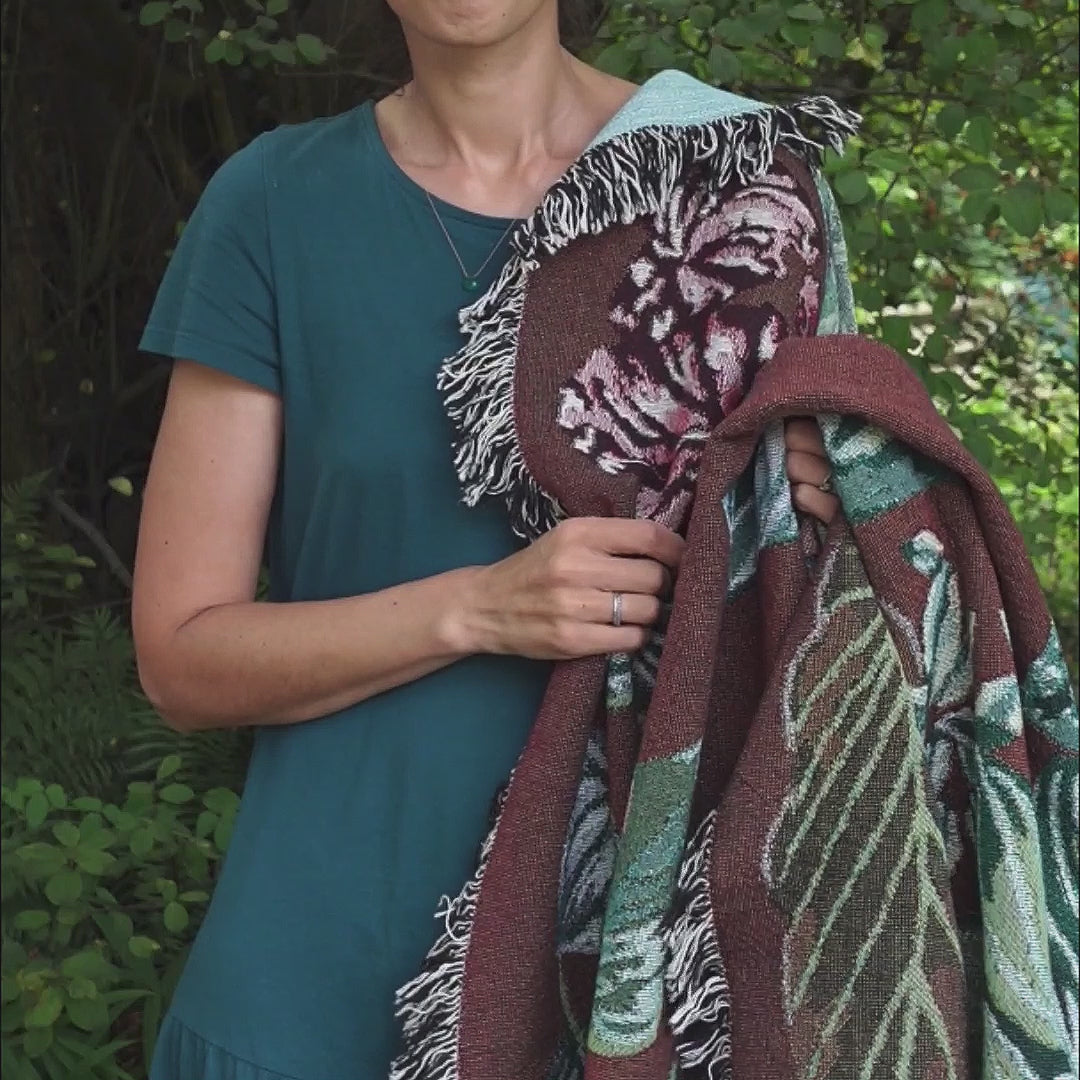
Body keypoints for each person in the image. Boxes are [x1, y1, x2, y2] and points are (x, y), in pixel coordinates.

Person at [132, 0, 839, 1074]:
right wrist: (476, 609)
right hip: (311, 981)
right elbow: (182, 659)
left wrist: (841, 494)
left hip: (635, 985)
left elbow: (826, 623)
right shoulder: (274, 203)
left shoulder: (738, 184)